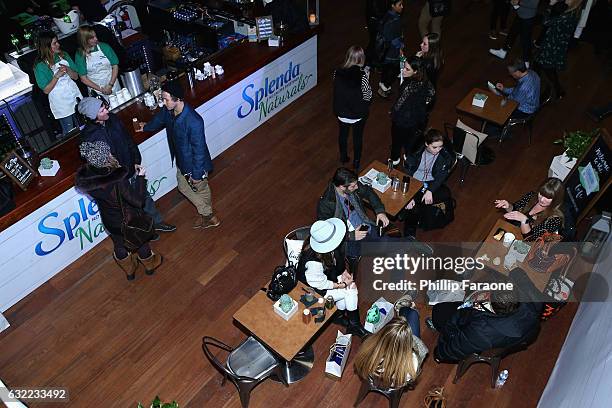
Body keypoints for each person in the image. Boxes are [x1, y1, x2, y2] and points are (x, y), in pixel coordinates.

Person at [78, 97, 176, 235]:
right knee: (130, 208)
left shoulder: (113, 119)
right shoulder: (88, 136)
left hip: (130, 167)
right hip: (117, 180)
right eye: (102, 110)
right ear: (93, 116)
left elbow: (128, 139)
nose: (107, 110)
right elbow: (95, 164)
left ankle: (157, 222)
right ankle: (146, 232)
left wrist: (136, 159)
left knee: (144, 198)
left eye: (105, 107)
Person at [75, 140, 163, 280]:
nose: (111, 153)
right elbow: (138, 201)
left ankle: (129, 271)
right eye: (108, 152)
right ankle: (150, 265)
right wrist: (141, 178)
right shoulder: (116, 178)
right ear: (106, 158)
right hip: (128, 219)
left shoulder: (88, 181)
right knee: (140, 241)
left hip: (109, 221)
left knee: (118, 243)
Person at [139, 81, 220, 230]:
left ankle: (208, 216)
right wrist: (146, 127)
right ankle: (207, 214)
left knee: (201, 188)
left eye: (166, 99)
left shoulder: (194, 121)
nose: (163, 103)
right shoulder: (169, 111)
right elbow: (159, 119)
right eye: (162, 99)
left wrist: (196, 174)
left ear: (178, 99)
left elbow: (199, 150)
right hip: (182, 161)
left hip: (195, 165)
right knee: (183, 186)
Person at [296, 218, 368, 337]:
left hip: (328, 275)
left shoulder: (328, 246)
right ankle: (352, 323)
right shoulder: (313, 262)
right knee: (350, 292)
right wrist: (342, 285)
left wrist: (344, 272)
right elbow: (321, 284)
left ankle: (340, 316)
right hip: (313, 290)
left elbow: (337, 261)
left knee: (351, 289)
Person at [317, 167, 390, 259]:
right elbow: (326, 232)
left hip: (365, 225)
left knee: (386, 245)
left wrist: (380, 211)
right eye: (353, 186)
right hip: (347, 239)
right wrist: (350, 235)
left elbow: (368, 192)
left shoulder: (351, 184)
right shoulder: (326, 203)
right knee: (369, 259)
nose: (357, 187)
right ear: (342, 186)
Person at [402, 129, 454, 237]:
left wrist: (430, 190)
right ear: (426, 144)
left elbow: (441, 176)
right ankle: (409, 236)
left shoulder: (445, 156)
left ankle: (420, 216)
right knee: (413, 206)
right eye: (434, 147)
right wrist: (409, 196)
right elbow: (407, 175)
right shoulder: (415, 153)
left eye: (440, 146)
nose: (438, 150)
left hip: (430, 182)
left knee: (445, 193)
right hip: (414, 182)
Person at [353, 312, 428, 387]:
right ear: (407, 343)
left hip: (376, 378)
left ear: (383, 332)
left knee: (409, 315)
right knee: (413, 314)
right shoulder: (412, 363)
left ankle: (402, 309)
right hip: (394, 383)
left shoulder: (369, 346)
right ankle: (403, 309)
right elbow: (410, 378)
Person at [33, 31, 83, 137]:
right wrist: (57, 75)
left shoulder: (63, 55)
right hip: (61, 104)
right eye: (54, 43)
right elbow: (46, 90)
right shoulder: (40, 66)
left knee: (84, 125)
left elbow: (75, 76)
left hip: (75, 96)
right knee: (70, 133)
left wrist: (68, 69)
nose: (58, 45)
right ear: (46, 47)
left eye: (57, 42)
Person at [333, 45, 372, 171]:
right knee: (357, 137)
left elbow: (337, 89)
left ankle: (343, 157)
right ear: (361, 59)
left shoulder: (337, 72)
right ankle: (356, 162)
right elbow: (368, 96)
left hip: (341, 112)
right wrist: (367, 77)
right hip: (357, 114)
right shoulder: (363, 76)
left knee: (342, 135)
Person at [389, 57, 435, 165]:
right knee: (411, 141)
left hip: (402, 119)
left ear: (415, 71)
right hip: (417, 119)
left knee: (396, 142)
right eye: (404, 67)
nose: (403, 70)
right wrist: (423, 105)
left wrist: (393, 112)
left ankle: (394, 160)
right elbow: (432, 93)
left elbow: (400, 102)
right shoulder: (426, 82)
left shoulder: (408, 86)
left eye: (407, 69)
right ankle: (408, 159)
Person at [534, 0, 582, 100]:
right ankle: (554, 90)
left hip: (552, 46)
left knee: (546, 68)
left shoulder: (566, 16)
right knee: (541, 66)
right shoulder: (572, 13)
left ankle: (552, 90)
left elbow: (546, 22)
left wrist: (550, 5)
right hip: (556, 45)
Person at [494, 177, 565, 241]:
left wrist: (524, 220)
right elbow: (515, 209)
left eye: (548, 198)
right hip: (510, 230)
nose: (542, 199)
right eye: (541, 194)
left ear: (556, 200)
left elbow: (531, 239)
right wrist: (508, 206)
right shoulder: (532, 196)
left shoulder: (554, 220)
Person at [75, 25, 121, 100]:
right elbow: (83, 79)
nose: (96, 39)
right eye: (92, 38)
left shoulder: (104, 47)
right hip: (96, 90)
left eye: (95, 36)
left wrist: (110, 85)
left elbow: (115, 66)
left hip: (113, 85)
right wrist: (101, 89)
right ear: (84, 40)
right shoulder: (80, 55)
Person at [489, 0, 540, 65]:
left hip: (527, 17)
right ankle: (503, 51)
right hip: (521, 14)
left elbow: (534, 4)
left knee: (525, 39)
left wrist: (518, 2)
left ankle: (526, 61)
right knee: (512, 33)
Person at [377, 0, 404, 98]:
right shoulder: (394, 20)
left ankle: (384, 86)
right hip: (392, 50)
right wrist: (400, 47)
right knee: (395, 69)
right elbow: (391, 37)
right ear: (393, 5)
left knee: (388, 68)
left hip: (386, 49)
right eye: (399, 4)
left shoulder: (388, 16)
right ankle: (384, 87)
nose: (402, 7)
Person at [365, 0, 388, 66]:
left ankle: (370, 61)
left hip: (376, 19)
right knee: (375, 41)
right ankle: (369, 62)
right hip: (375, 20)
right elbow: (376, 10)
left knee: (375, 41)